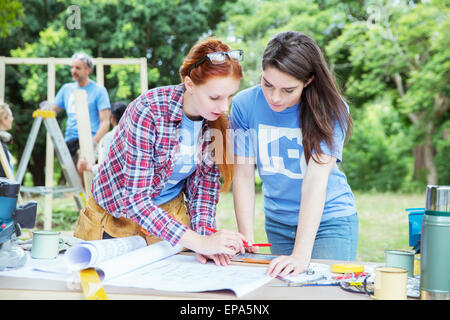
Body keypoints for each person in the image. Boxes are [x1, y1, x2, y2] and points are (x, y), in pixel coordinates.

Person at [74, 38, 248, 266]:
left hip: (169, 220)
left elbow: (205, 191)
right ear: (189, 85)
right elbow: (136, 201)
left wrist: (206, 237)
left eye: (230, 96)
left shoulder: (216, 123)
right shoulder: (148, 111)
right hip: (115, 219)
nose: (224, 107)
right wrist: (199, 241)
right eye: (215, 97)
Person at [230, 31, 358, 277]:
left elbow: (316, 181)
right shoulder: (244, 105)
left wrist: (301, 254)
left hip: (329, 222)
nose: (274, 98)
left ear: (308, 80)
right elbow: (243, 175)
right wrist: (246, 239)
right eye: (268, 84)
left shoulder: (333, 109)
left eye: (288, 90)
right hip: (278, 223)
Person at [52, 52, 111, 165]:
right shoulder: (66, 89)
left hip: (89, 140)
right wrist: (44, 108)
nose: (73, 71)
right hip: (69, 140)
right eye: (72, 67)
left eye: (78, 68)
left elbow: (105, 122)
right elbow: (52, 110)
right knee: (73, 178)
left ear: (88, 70)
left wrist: (93, 143)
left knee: (85, 177)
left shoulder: (99, 91)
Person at [76, 101, 127, 176]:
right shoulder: (135, 134)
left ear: (112, 118)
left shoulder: (110, 137)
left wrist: (87, 167)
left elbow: (106, 169)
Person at [0, 103, 15, 177]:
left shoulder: (2, 142)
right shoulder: (1, 146)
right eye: (11, 116)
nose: (12, 119)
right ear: (3, 119)